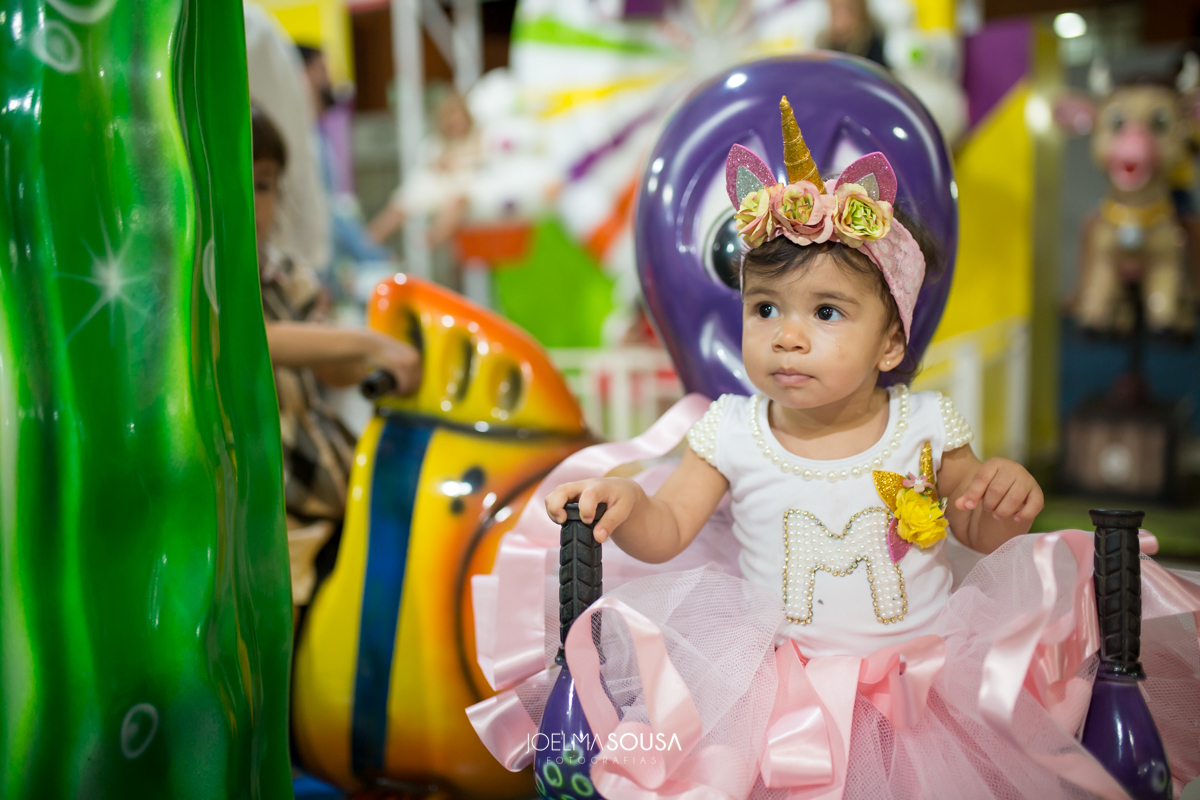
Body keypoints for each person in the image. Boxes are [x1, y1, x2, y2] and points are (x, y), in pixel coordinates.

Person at [468, 100, 1200, 800]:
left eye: (825, 312)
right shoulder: (733, 429)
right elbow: (667, 530)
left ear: (890, 343)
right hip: (784, 695)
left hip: (918, 690)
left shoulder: (924, 424)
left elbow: (976, 527)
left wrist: (1001, 499)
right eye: (765, 309)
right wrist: (630, 504)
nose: (787, 336)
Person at [252, 107, 420, 617]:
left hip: (319, 463)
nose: (252, 201)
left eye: (263, 185)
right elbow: (256, 341)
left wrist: (369, 359)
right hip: (265, 482)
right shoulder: (203, 287)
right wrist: (365, 345)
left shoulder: (285, 275)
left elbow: (331, 368)